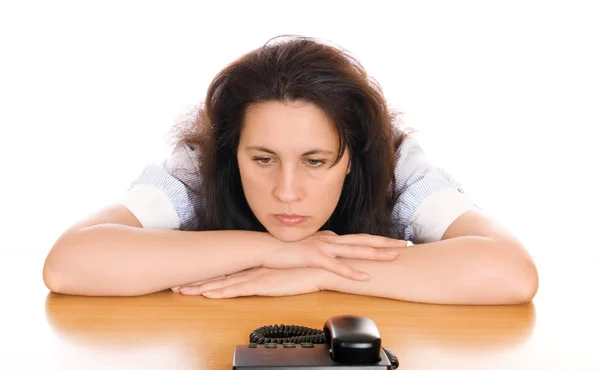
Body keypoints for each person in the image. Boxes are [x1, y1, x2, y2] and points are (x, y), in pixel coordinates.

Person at [42, 35, 538, 304]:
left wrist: (319, 273)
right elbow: (70, 263)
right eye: (261, 160)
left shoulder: (395, 166)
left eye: (316, 162)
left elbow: (509, 272)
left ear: (353, 158)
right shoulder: (197, 167)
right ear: (231, 151)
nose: (286, 192)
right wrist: (275, 251)